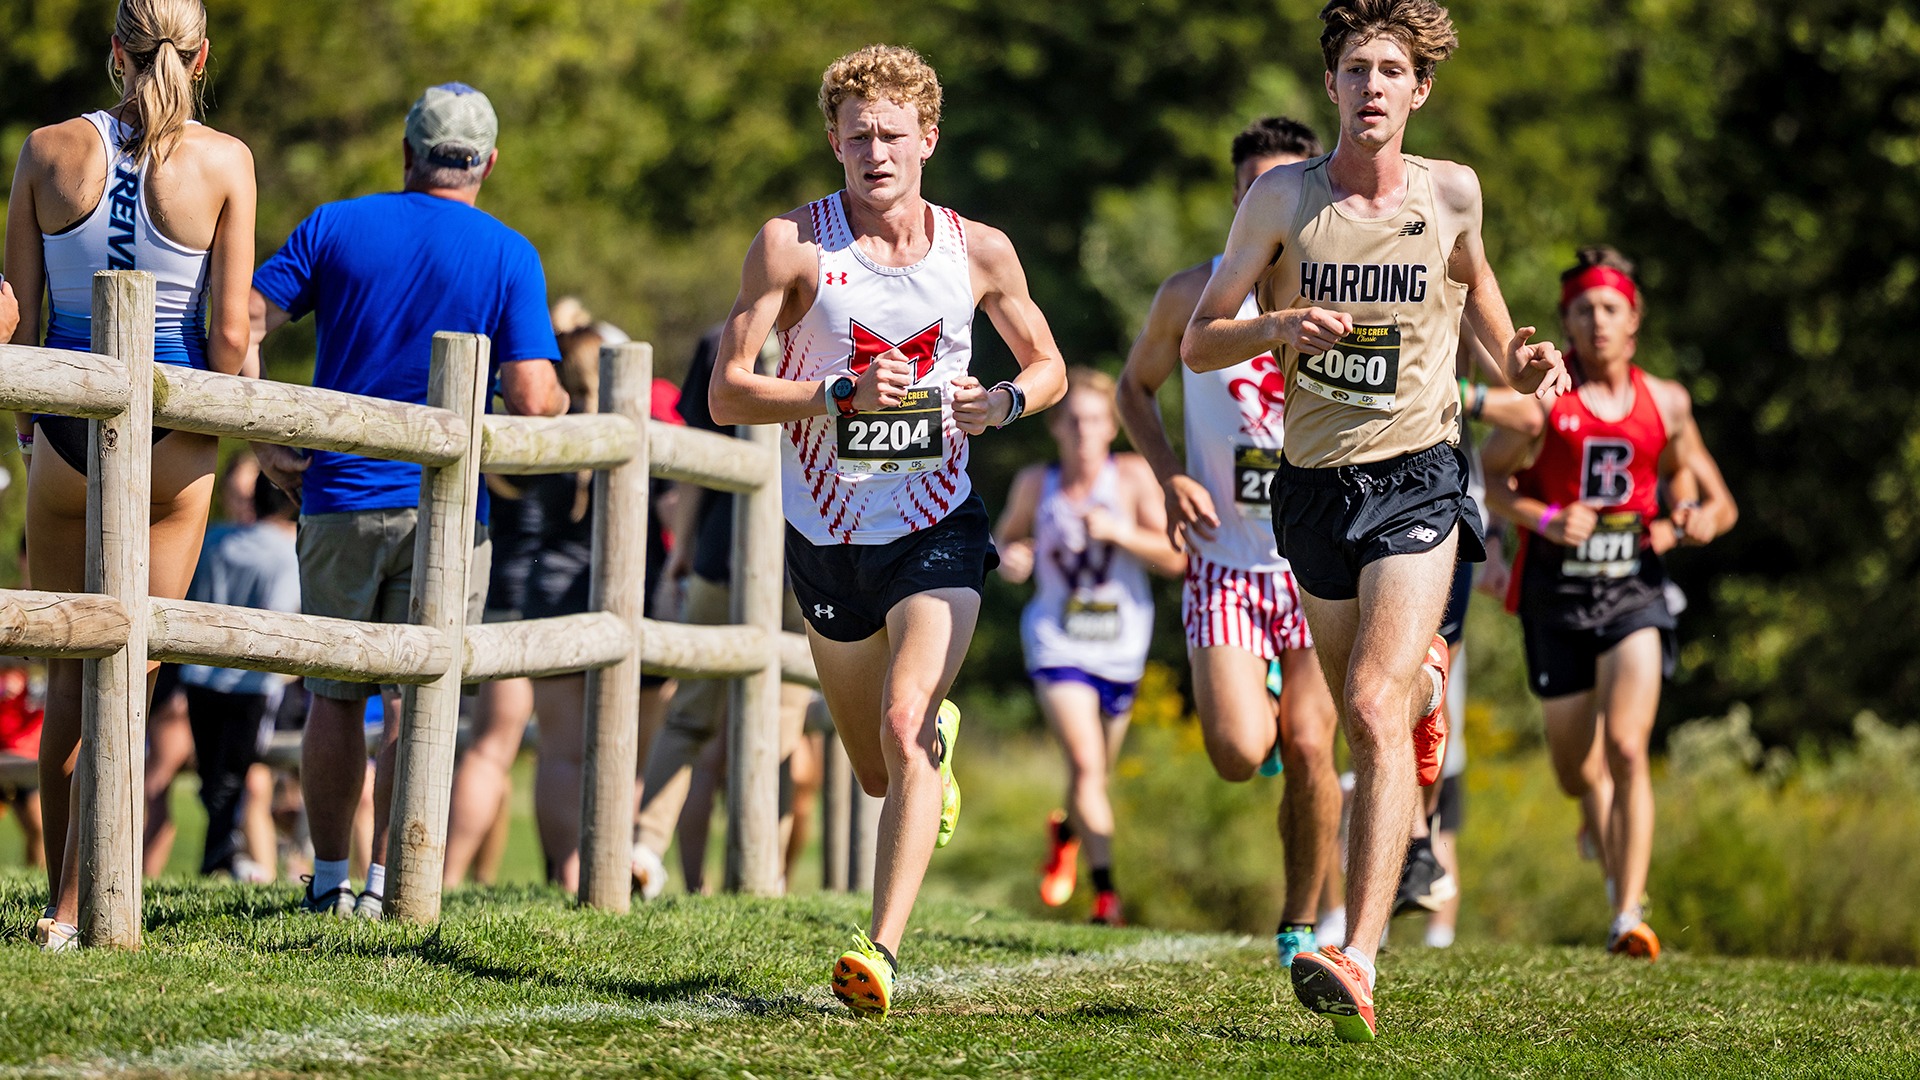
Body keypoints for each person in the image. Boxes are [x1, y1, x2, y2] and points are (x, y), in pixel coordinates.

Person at [1181, 0, 1570, 1041]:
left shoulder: (1452, 192)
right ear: (1331, 85)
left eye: (1391, 71)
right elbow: (1199, 343)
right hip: (1311, 490)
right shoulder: (1281, 199)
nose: (1372, 87)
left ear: (1420, 89)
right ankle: (1425, 692)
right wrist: (1276, 322)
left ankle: (1355, 953)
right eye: (1356, 70)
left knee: (1366, 702)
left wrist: (1523, 361)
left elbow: (1481, 300)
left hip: (1419, 476)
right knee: (1382, 706)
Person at [709, 45, 1066, 1016]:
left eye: (893, 135)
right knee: (876, 768)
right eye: (858, 135)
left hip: (935, 525)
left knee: (902, 725)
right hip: (827, 537)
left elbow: (1048, 365)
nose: (877, 153)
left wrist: (1003, 402)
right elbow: (726, 393)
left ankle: (880, 952)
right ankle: (928, 747)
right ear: (834, 141)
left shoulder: (977, 250)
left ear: (929, 139)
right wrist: (836, 393)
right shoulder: (792, 247)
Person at [249, 82, 568, 918]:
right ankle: (390, 886)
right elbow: (534, 398)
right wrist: (565, 399)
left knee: (332, 695)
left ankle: (327, 882)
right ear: (488, 164)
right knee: (417, 700)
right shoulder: (509, 253)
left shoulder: (334, 224)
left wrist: (260, 434)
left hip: (338, 495)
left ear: (406, 153)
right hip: (448, 515)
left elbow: (241, 320)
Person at [5, 0, 257, 950]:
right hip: (169, 434)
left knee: (68, 668)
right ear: (202, 55)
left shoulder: (45, 149)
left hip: (62, 433)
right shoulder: (224, 161)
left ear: (115, 50)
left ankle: (58, 903)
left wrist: (29, 427)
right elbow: (227, 337)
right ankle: (79, 909)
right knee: (131, 674)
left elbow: (18, 315)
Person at [1116, 115, 1344, 970]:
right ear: (1237, 197)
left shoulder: (1341, 294)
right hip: (1223, 561)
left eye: (1281, 186)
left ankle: (1300, 926)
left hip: (1315, 559)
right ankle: (1265, 701)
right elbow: (1133, 390)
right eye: (1252, 188)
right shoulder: (1194, 294)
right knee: (1239, 755)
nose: (1266, 200)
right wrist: (1169, 474)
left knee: (1312, 743)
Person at [1480, 246, 1736, 961]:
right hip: (1555, 598)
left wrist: (1690, 520)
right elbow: (1490, 480)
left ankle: (1628, 913)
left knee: (1627, 746)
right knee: (1575, 770)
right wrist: (1543, 519)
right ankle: (1598, 828)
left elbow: (1715, 501)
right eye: (1583, 310)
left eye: (1610, 309)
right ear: (1565, 322)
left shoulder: (1669, 403)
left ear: (1634, 320)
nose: (1597, 322)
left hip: (1635, 595)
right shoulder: (1542, 402)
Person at [633, 328, 820, 898]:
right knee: (781, 723)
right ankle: (768, 870)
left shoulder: (722, 338)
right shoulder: (841, 334)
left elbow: (697, 459)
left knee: (690, 712)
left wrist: (681, 551)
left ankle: (644, 847)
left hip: (723, 549)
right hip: (810, 554)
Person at [996, 366, 1183, 927]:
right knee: (1084, 762)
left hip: (1121, 644)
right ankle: (1107, 897)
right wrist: (1011, 559)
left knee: (1094, 775)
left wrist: (1121, 532)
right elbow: (1004, 542)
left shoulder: (1131, 477)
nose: (1084, 432)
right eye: (1074, 421)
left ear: (1112, 427)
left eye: (1096, 420)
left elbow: (1177, 557)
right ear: (1056, 426)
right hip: (1057, 642)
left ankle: (1068, 833)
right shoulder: (1037, 483)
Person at [174, 473, 300, 877]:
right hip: (252, 683)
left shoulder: (214, 539)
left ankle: (218, 856)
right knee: (234, 775)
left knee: (212, 776)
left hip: (199, 675)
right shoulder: (287, 552)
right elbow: (283, 613)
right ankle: (220, 856)